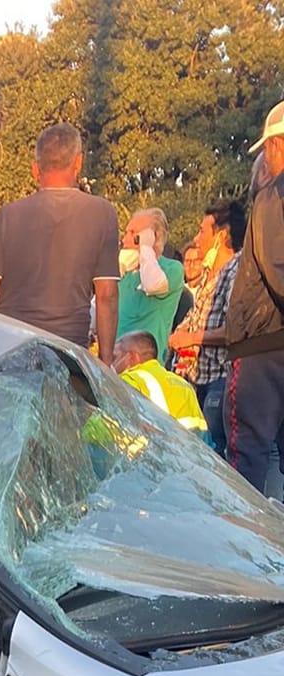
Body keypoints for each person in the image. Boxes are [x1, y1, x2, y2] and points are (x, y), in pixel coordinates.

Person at [0, 124, 120, 364]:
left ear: (35, 169)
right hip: (67, 351)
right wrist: (105, 361)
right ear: (78, 162)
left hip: (10, 347)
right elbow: (107, 296)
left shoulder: (8, 215)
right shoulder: (102, 214)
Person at [226, 109, 284, 493]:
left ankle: (242, 533)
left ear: (276, 146)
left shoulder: (273, 195)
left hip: (263, 345)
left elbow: (278, 267)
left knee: (245, 459)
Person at [168, 198, 247, 452]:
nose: (197, 238)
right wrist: (181, 332)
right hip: (197, 377)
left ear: (220, 236)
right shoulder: (208, 273)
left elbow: (234, 330)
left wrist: (192, 338)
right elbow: (196, 315)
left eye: (202, 231)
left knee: (213, 451)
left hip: (220, 378)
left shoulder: (237, 271)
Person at [116, 208, 185, 360]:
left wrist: (146, 247)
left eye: (133, 233)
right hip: (116, 360)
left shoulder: (172, 269)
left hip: (146, 363)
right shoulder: (125, 272)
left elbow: (152, 285)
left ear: (153, 236)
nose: (124, 240)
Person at [113, 331, 208, 435]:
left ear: (132, 357)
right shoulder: (183, 384)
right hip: (190, 445)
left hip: (151, 444)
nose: (112, 363)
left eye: (114, 357)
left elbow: (112, 424)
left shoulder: (130, 379)